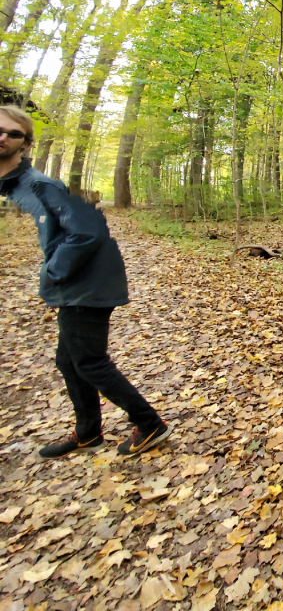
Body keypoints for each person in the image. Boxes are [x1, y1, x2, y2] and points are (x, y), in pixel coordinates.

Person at [0, 104, 172, 458]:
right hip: (78, 285)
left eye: (11, 132)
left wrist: (53, 272)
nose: (1, 137)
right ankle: (88, 432)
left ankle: (149, 422)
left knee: (90, 361)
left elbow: (88, 232)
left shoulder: (40, 185)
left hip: (87, 284)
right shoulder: (17, 185)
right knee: (70, 360)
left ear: (25, 143)